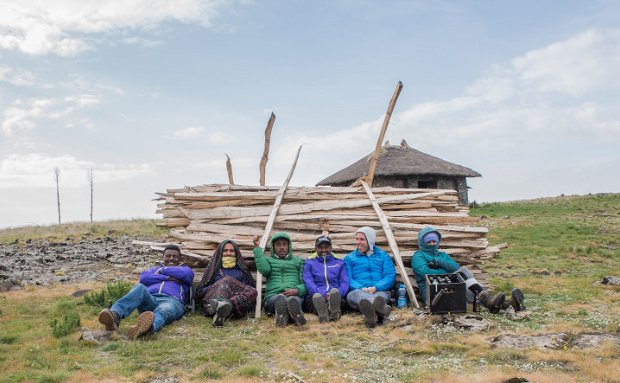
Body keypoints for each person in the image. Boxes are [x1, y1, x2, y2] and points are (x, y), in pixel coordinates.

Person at [412, 226, 525, 313]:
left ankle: (507, 304)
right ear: (423, 242)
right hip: (433, 293)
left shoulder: (442, 255)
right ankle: (494, 302)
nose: (432, 243)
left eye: (434, 240)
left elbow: (456, 268)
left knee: (463, 272)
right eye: (428, 240)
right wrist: (448, 272)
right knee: (460, 277)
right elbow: (426, 274)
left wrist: (439, 262)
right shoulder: (418, 256)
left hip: (451, 287)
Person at [98, 244, 194, 338]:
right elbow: (144, 278)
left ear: (180, 258)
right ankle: (115, 315)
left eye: (175, 256)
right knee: (139, 287)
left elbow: (185, 275)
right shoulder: (154, 269)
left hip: (171, 301)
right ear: (163, 257)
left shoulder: (185, 270)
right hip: (151, 299)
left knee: (162, 310)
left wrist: (161, 271)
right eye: (168, 256)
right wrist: (167, 277)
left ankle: (148, 327)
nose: (171, 258)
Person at [197, 240, 257, 327]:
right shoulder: (214, 270)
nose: (228, 253)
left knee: (253, 291)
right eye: (225, 250)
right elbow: (200, 292)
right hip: (212, 301)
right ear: (220, 253)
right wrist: (220, 285)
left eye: (231, 251)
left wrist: (232, 287)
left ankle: (223, 308)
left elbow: (248, 290)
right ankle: (220, 306)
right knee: (226, 281)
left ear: (236, 253)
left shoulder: (241, 271)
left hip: (236, 305)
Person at [344, 227, 396, 328]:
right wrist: (361, 288)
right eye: (357, 239)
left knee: (380, 297)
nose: (358, 242)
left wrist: (376, 287)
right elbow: (347, 278)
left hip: (380, 291)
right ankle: (380, 308)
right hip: (357, 292)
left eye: (362, 239)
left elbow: (390, 276)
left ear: (370, 240)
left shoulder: (383, 256)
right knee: (358, 295)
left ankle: (371, 315)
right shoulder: (349, 258)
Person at [252, 232, 307, 327]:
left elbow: (305, 282)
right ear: (273, 247)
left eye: (284, 244)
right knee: (279, 300)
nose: (282, 247)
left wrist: (297, 290)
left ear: (289, 246)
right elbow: (264, 270)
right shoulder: (268, 260)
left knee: (294, 301)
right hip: (273, 296)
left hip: (294, 295)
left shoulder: (298, 261)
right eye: (278, 244)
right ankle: (291, 315)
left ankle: (285, 316)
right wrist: (257, 248)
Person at [302, 235, 349, 323]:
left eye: (326, 247)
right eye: (320, 247)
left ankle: (326, 312)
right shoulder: (309, 262)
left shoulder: (339, 263)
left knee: (341, 301)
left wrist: (336, 293)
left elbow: (344, 282)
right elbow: (308, 282)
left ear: (331, 248)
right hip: (316, 295)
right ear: (315, 248)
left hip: (335, 294)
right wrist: (323, 294)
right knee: (313, 300)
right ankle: (329, 311)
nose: (324, 250)